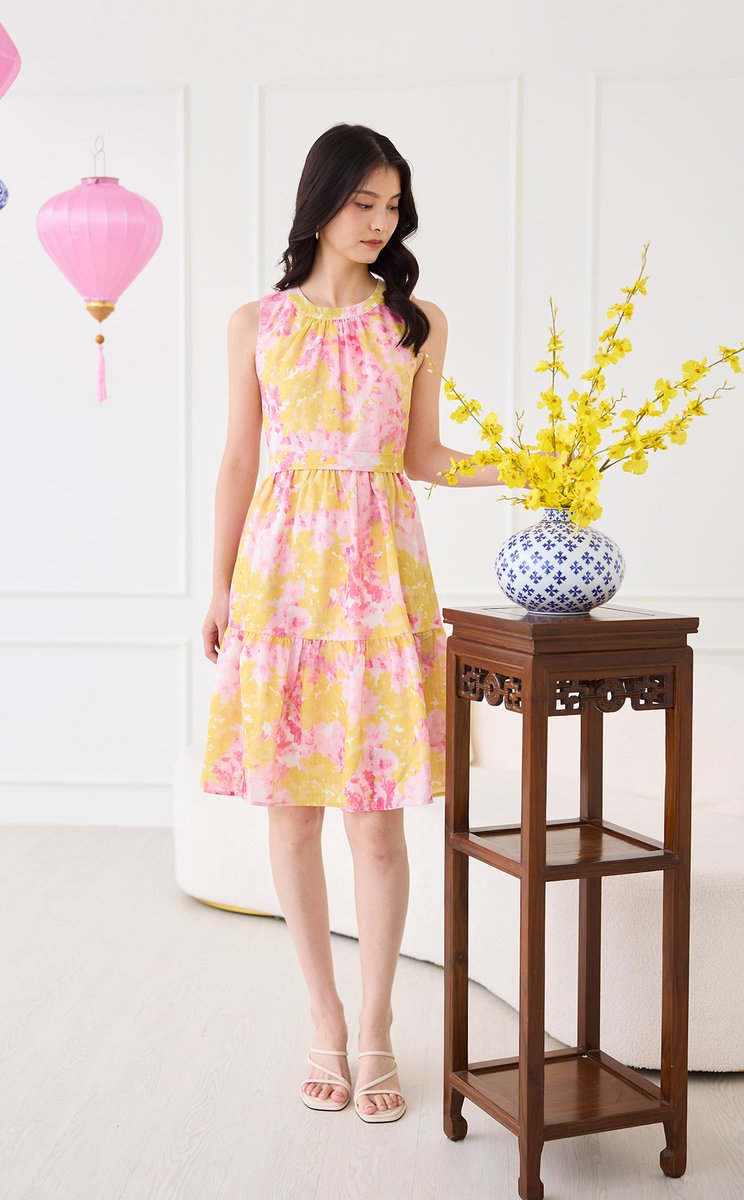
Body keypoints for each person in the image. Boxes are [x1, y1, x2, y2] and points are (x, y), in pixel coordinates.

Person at [200, 124, 512, 1123]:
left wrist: (526, 465)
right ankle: (324, 1019)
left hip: (380, 578)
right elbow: (239, 460)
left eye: (392, 205)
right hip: (280, 581)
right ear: (320, 202)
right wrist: (218, 586)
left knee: (376, 821)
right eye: (362, 202)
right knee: (291, 813)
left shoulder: (415, 322)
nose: (380, 221)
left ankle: (376, 1026)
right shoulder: (256, 323)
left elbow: (421, 457)